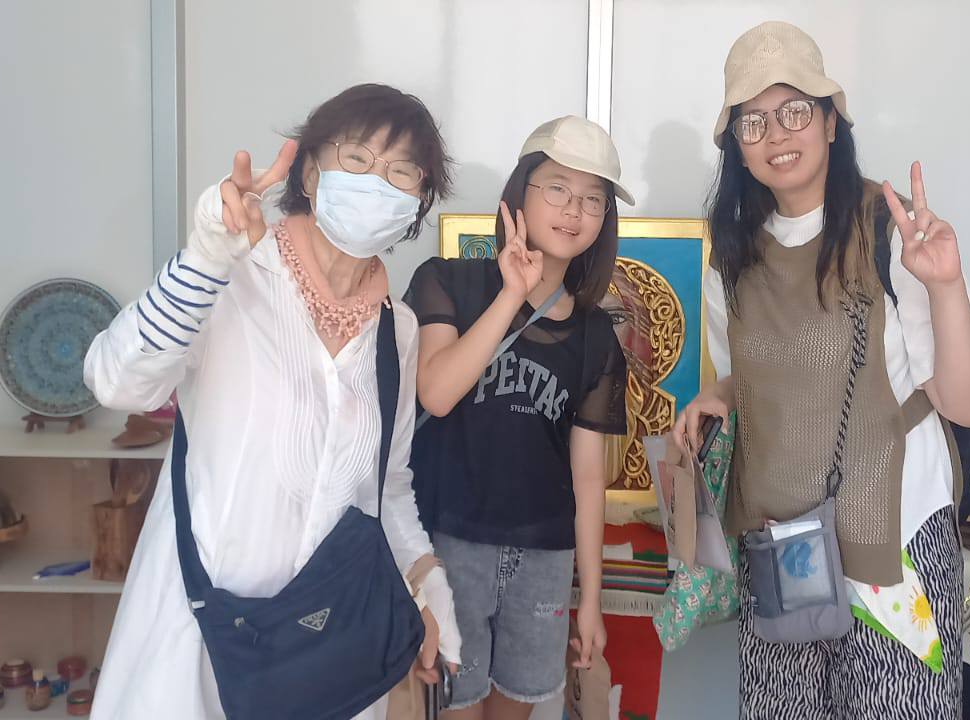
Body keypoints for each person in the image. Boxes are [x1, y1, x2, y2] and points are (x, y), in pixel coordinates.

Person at [84, 83, 460, 719]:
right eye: (358, 159)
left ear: (418, 201)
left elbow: (387, 486)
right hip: (197, 642)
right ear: (310, 173)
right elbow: (117, 383)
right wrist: (205, 258)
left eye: (402, 171)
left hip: (325, 652)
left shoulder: (397, 330)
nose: (378, 182)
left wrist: (426, 585)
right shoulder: (232, 275)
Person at [671, 22, 970, 719]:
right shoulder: (731, 254)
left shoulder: (891, 230)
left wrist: (945, 283)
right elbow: (751, 374)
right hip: (781, 552)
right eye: (753, 121)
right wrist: (719, 396)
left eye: (794, 110)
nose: (776, 134)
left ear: (829, 122)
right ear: (736, 146)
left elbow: (969, 403)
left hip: (894, 551)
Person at [406, 116, 630, 720]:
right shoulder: (447, 281)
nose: (574, 209)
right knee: (454, 707)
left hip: (544, 558)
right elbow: (436, 393)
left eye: (593, 198)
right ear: (519, 194)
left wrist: (590, 597)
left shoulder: (596, 335)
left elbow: (587, 477)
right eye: (557, 188)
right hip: (452, 543)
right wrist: (512, 294)